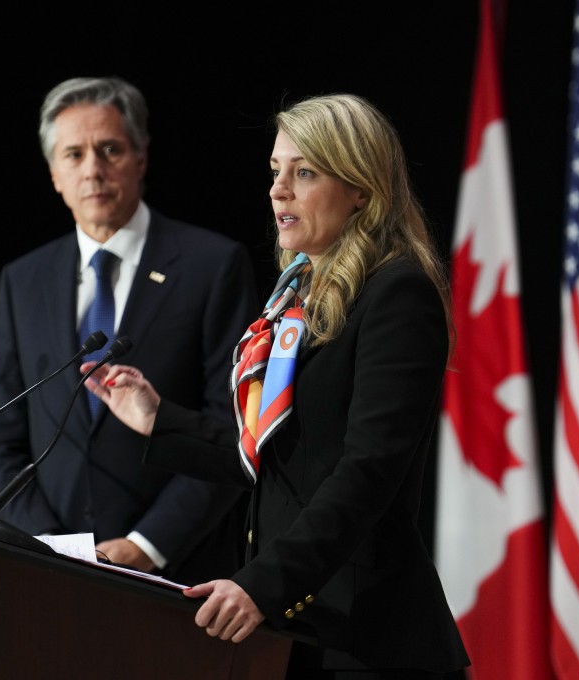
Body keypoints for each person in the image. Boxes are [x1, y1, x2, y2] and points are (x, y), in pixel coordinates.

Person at [83, 93, 471, 678]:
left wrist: (261, 586)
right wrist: (158, 419)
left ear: (361, 188)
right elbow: (277, 453)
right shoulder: (297, 299)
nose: (278, 189)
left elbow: (368, 473)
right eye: (275, 171)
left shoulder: (396, 294)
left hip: (365, 639)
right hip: (294, 632)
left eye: (304, 172)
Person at [0, 76, 260, 585]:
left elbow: (235, 427)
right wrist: (50, 547)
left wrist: (145, 546)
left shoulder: (212, 266)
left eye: (110, 149)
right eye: (74, 155)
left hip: (179, 580)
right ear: (54, 174)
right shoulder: (22, 279)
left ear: (141, 158)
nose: (94, 170)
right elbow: (0, 440)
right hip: (46, 576)